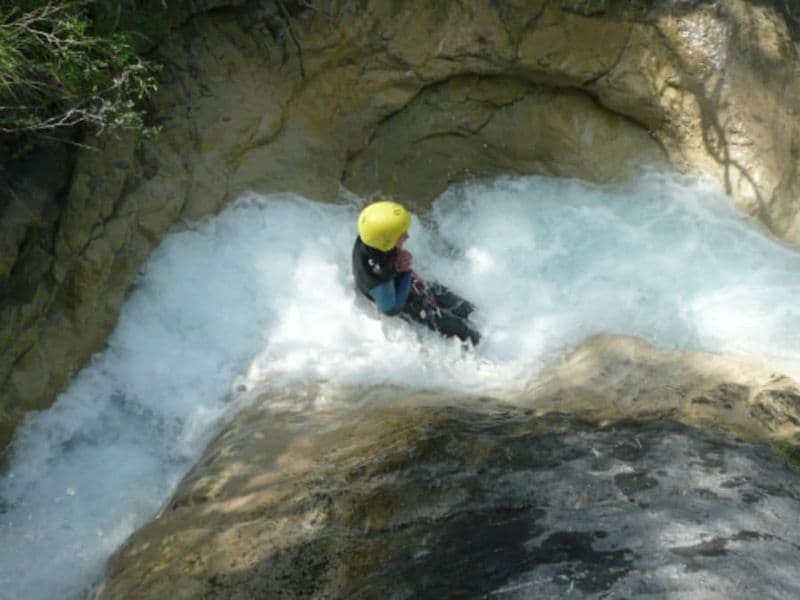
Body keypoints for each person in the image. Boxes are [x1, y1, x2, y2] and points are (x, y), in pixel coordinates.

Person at [352, 199, 481, 346]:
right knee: (459, 330)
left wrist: (398, 255)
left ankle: (476, 318)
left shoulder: (370, 236)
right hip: (402, 301)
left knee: (462, 306)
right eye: (402, 235)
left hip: (399, 281)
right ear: (387, 241)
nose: (407, 236)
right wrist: (405, 272)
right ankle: (480, 347)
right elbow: (390, 310)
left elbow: (386, 247)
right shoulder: (380, 276)